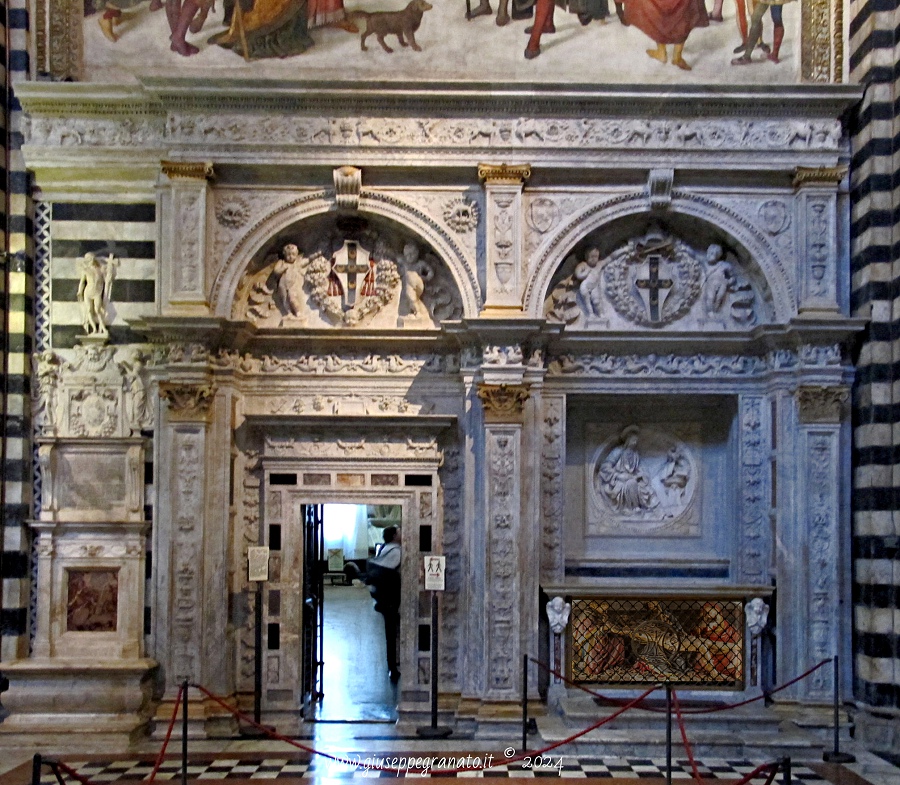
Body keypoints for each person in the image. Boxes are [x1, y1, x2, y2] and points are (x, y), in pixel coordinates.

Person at [360, 527, 403, 682]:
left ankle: (392, 664)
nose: (402, 533)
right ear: (393, 536)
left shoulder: (384, 550)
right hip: (393, 598)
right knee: (393, 633)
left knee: (390, 633)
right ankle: (395, 665)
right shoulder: (397, 552)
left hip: (384, 598)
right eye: (399, 532)